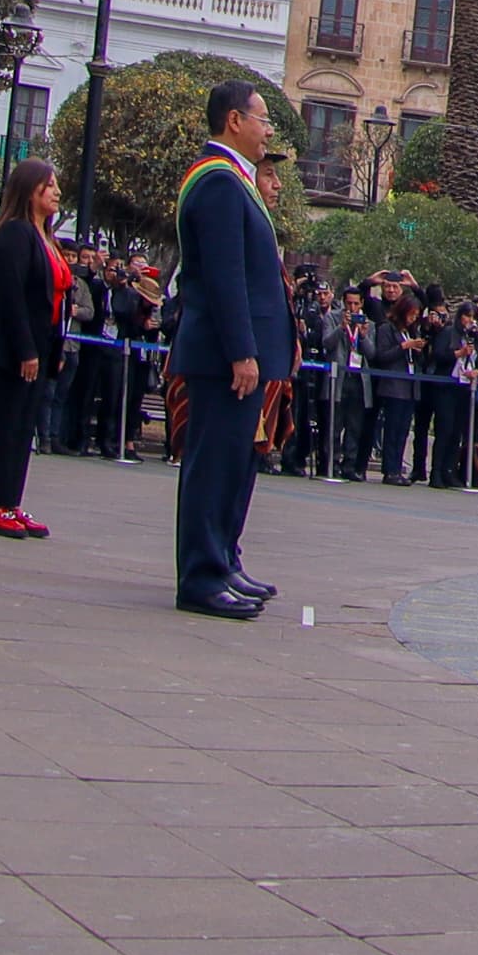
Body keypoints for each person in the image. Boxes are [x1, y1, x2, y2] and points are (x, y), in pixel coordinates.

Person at [171, 76, 288, 620]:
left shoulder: (236, 179)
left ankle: (222, 560)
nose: (269, 130)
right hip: (224, 356)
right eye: (262, 119)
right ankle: (201, 575)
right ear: (234, 121)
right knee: (213, 466)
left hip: (239, 354)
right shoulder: (218, 180)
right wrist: (242, 350)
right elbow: (224, 275)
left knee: (234, 465)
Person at [0, 158, 69, 540]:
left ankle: (12, 502)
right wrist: (26, 349)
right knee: (7, 424)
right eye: (50, 185)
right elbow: (11, 296)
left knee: (23, 427)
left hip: (43, 345)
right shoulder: (15, 233)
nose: (57, 192)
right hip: (17, 347)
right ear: (31, 190)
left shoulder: (45, 236)